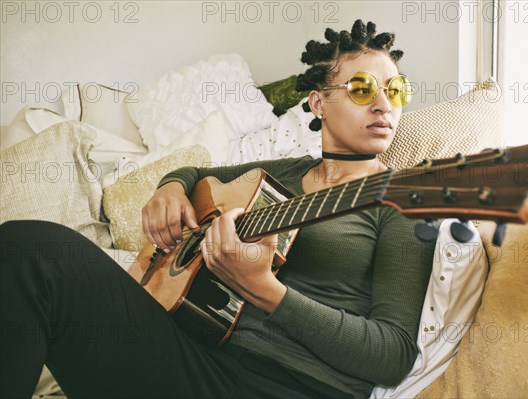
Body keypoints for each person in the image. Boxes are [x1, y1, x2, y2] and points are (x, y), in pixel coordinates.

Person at [0, 20, 435, 399]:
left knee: (35, 255)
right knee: (28, 247)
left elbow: (392, 355)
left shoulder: (403, 197)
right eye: (362, 88)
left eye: (397, 90)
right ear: (319, 103)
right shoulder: (281, 171)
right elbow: (196, 171)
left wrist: (264, 289)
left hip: (284, 386)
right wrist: (169, 188)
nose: (385, 104)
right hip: (194, 348)